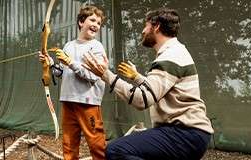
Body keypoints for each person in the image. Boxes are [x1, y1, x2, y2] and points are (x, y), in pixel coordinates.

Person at [82, 8, 214, 160]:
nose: (143, 31)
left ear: (156, 26)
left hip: (184, 134)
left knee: (115, 150)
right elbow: (160, 90)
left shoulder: (170, 56)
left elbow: (142, 100)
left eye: (145, 26)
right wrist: (137, 77)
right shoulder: (175, 51)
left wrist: (105, 74)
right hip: (189, 133)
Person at [39, 5, 107, 160]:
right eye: (93, 20)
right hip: (68, 100)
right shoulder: (69, 45)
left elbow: (94, 75)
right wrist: (50, 64)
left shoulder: (97, 47)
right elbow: (62, 73)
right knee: (69, 146)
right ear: (81, 22)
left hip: (88, 102)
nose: (96, 24)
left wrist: (70, 62)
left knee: (97, 145)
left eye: (99, 23)